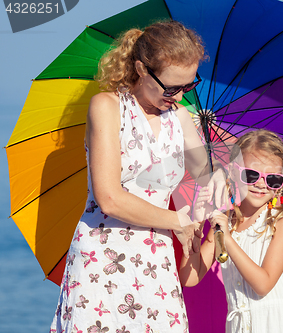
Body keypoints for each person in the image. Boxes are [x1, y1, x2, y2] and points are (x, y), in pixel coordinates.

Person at [49, 21, 226, 333]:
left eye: (188, 86)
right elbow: (109, 198)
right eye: (171, 87)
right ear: (142, 69)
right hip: (103, 258)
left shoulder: (180, 117)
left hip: (156, 258)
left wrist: (219, 181)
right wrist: (179, 223)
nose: (179, 96)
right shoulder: (107, 106)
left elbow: (205, 175)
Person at [180, 129, 283, 333]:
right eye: (251, 174)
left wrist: (228, 239)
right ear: (232, 173)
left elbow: (263, 284)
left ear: (281, 183)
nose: (261, 184)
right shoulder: (224, 223)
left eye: (273, 179)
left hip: (277, 326)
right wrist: (196, 225)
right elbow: (190, 277)